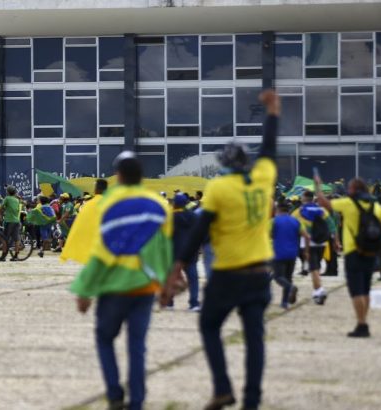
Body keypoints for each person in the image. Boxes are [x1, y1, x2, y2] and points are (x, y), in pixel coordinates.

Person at [163, 89, 280, 410]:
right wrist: (273, 112)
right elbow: (269, 149)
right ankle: (252, 401)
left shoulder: (219, 188)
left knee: (210, 326)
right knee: (254, 338)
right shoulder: (263, 180)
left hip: (229, 275)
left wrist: (177, 268)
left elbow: (199, 231)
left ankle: (223, 388)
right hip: (260, 274)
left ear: (225, 164)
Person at [71, 151, 172, 410]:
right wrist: (166, 284)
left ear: (119, 175)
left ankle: (115, 395)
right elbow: (163, 249)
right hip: (144, 287)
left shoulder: (108, 203)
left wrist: (85, 289)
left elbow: (101, 250)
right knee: (137, 346)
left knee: (105, 338)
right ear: (142, 175)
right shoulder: (159, 205)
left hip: (114, 288)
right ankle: (136, 402)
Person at [315, 177, 381, 337]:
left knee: (356, 291)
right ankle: (363, 321)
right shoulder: (376, 206)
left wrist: (318, 186)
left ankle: (362, 325)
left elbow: (324, 204)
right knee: (366, 289)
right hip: (370, 252)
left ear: (353, 190)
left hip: (353, 253)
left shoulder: (348, 203)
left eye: (349, 188)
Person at [291, 190, 335, 304]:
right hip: (321, 241)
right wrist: (336, 241)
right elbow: (332, 225)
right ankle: (317, 289)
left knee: (313, 268)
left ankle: (319, 291)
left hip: (307, 242)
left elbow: (292, 224)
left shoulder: (299, 211)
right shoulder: (322, 210)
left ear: (304, 199)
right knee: (316, 266)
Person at [272, 201, 308, 309]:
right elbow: (306, 236)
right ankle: (285, 302)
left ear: (277, 210)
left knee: (278, 277)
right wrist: (306, 251)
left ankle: (291, 288)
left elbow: (266, 235)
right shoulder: (296, 221)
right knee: (288, 277)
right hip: (293, 254)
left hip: (278, 253)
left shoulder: (274, 221)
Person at [167, 193, 200, 311]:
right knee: (193, 279)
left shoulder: (169, 217)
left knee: (172, 277)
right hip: (190, 252)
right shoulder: (194, 217)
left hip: (174, 252)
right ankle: (194, 303)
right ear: (186, 203)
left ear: (174, 203)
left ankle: (169, 302)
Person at [0, 186, 21, 261]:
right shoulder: (17, 200)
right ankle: (16, 255)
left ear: (7, 192)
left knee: (5, 239)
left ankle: (3, 256)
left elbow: (1, 207)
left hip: (9, 221)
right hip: (16, 221)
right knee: (16, 239)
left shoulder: (7, 198)